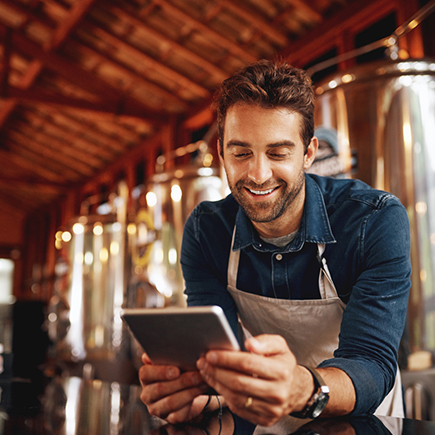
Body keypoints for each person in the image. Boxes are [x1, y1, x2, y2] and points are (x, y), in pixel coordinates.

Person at [139, 59, 411, 429]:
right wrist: (192, 392)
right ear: (221, 155)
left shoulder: (373, 221)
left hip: (362, 420)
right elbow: (221, 354)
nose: (258, 174)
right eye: (241, 153)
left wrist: (304, 388)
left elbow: (370, 362)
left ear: (309, 153)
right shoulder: (208, 231)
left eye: (278, 153)